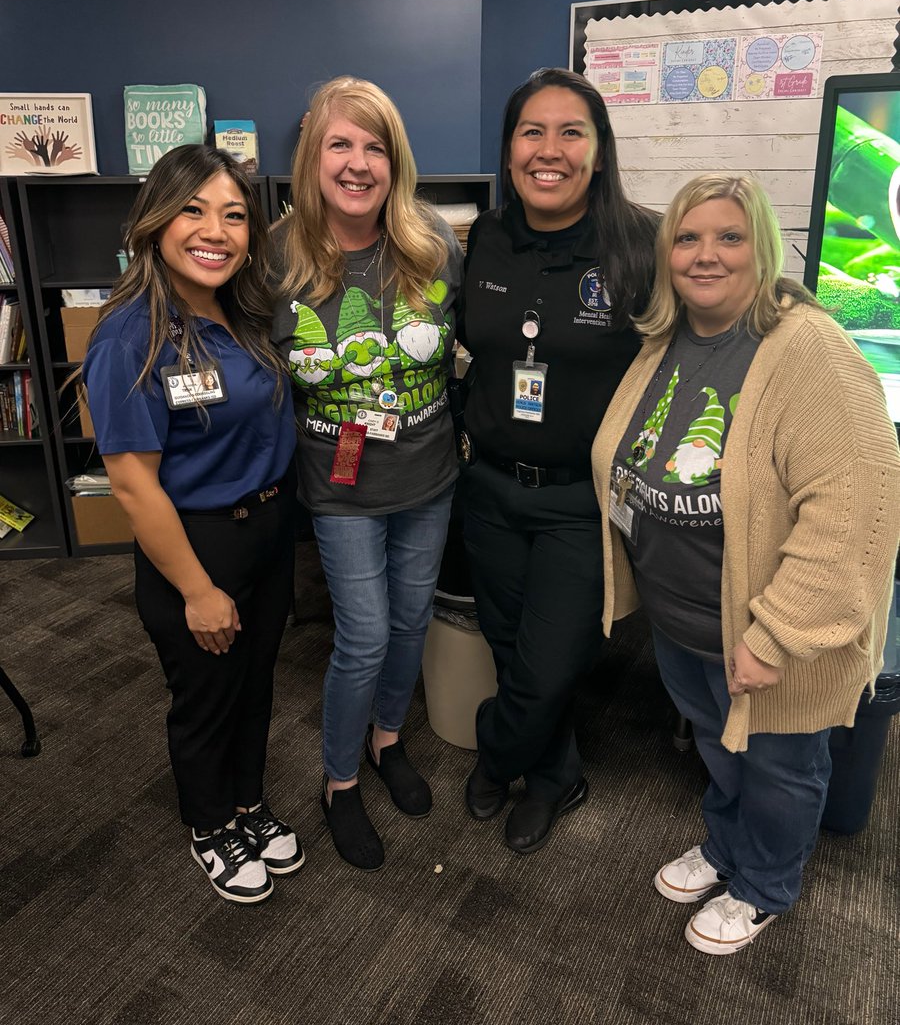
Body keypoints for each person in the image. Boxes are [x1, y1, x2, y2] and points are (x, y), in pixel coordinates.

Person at [591, 173, 900, 953]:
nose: (706, 255)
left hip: (769, 633)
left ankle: (765, 884)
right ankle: (727, 848)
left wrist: (775, 633)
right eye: (687, 239)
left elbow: (855, 514)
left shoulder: (808, 350)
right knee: (716, 747)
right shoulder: (668, 337)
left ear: (761, 248)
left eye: (729, 237)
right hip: (685, 617)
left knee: (782, 771)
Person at [81, 144, 302, 904]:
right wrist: (198, 590)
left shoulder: (241, 310)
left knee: (254, 682)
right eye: (194, 210)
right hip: (196, 545)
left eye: (234, 215)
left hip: (268, 532)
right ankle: (209, 825)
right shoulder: (130, 335)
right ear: (154, 222)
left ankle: (247, 800)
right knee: (206, 695)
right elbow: (133, 484)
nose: (216, 230)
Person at [459, 67, 657, 853]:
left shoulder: (640, 242)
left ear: (600, 152)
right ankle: (554, 774)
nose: (550, 150)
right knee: (511, 650)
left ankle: (496, 749)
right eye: (530, 132)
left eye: (571, 132)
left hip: (581, 500)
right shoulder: (484, 238)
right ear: (509, 151)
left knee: (548, 666)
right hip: (489, 488)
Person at [271, 77, 463, 871]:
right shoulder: (273, 255)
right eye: (339, 145)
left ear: (395, 160)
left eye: (373, 146)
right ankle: (340, 780)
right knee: (364, 636)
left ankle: (389, 740)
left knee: (413, 620)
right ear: (312, 157)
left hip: (428, 475)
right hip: (340, 487)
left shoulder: (434, 241)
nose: (357, 164)